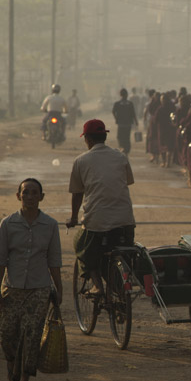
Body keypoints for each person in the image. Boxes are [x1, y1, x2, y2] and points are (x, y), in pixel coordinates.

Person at [0, 178, 63, 381]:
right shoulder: (7, 224)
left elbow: (54, 260)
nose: (30, 197)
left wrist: (58, 289)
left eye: (34, 193)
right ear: (18, 196)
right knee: (7, 336)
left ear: (41, 197)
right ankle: (12, 362)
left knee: (32, 337)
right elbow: (0, 259)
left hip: (39, 289)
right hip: (11, 289)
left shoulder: (50, 225)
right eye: (26, 192)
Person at [65, 119, 136, 296]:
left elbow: (77, 193)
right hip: (125, 222)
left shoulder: (81, 161)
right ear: (104, 136)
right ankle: (120, 291)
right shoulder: (120, 156)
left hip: (97, 223)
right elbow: (128, 181)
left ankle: (97, 285)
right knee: (121, 251)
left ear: (87, 139)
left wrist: (74, 218)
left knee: (80, 244)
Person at [112, 88, 139, 155]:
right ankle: (126, 150)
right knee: (126, 137)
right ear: (126, 95)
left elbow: (113, 111)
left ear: (120, 95)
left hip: (121, 124)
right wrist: (136, 121)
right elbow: (133, 113)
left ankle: (123, 148)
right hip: (127, 124)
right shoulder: (130, 104)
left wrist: (116, 119)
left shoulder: (117, 103)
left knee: (120, 137)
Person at [155, 94, 177, 168]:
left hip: (164, 130)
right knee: (167, 147)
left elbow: (155, 119)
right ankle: (167, 162)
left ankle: (166, 162)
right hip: (168, 129)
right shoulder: (171, 108)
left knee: (165, 147)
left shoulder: (160, 108)